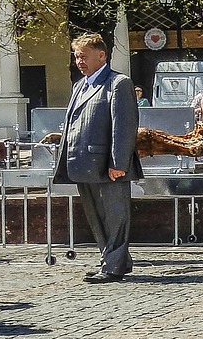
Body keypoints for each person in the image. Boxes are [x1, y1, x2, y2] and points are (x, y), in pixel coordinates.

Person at [53, 33, 141, 283]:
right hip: (81, 164)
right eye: (77, 56)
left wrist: (118, 162)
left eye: (84, 56)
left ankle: (114, 267)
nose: (79, 61)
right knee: (96, 217)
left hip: (107, 164)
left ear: (101, 55)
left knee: (115, 217)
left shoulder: (118, 83)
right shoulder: (79, 85)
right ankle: (112, 260)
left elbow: (124, 126)